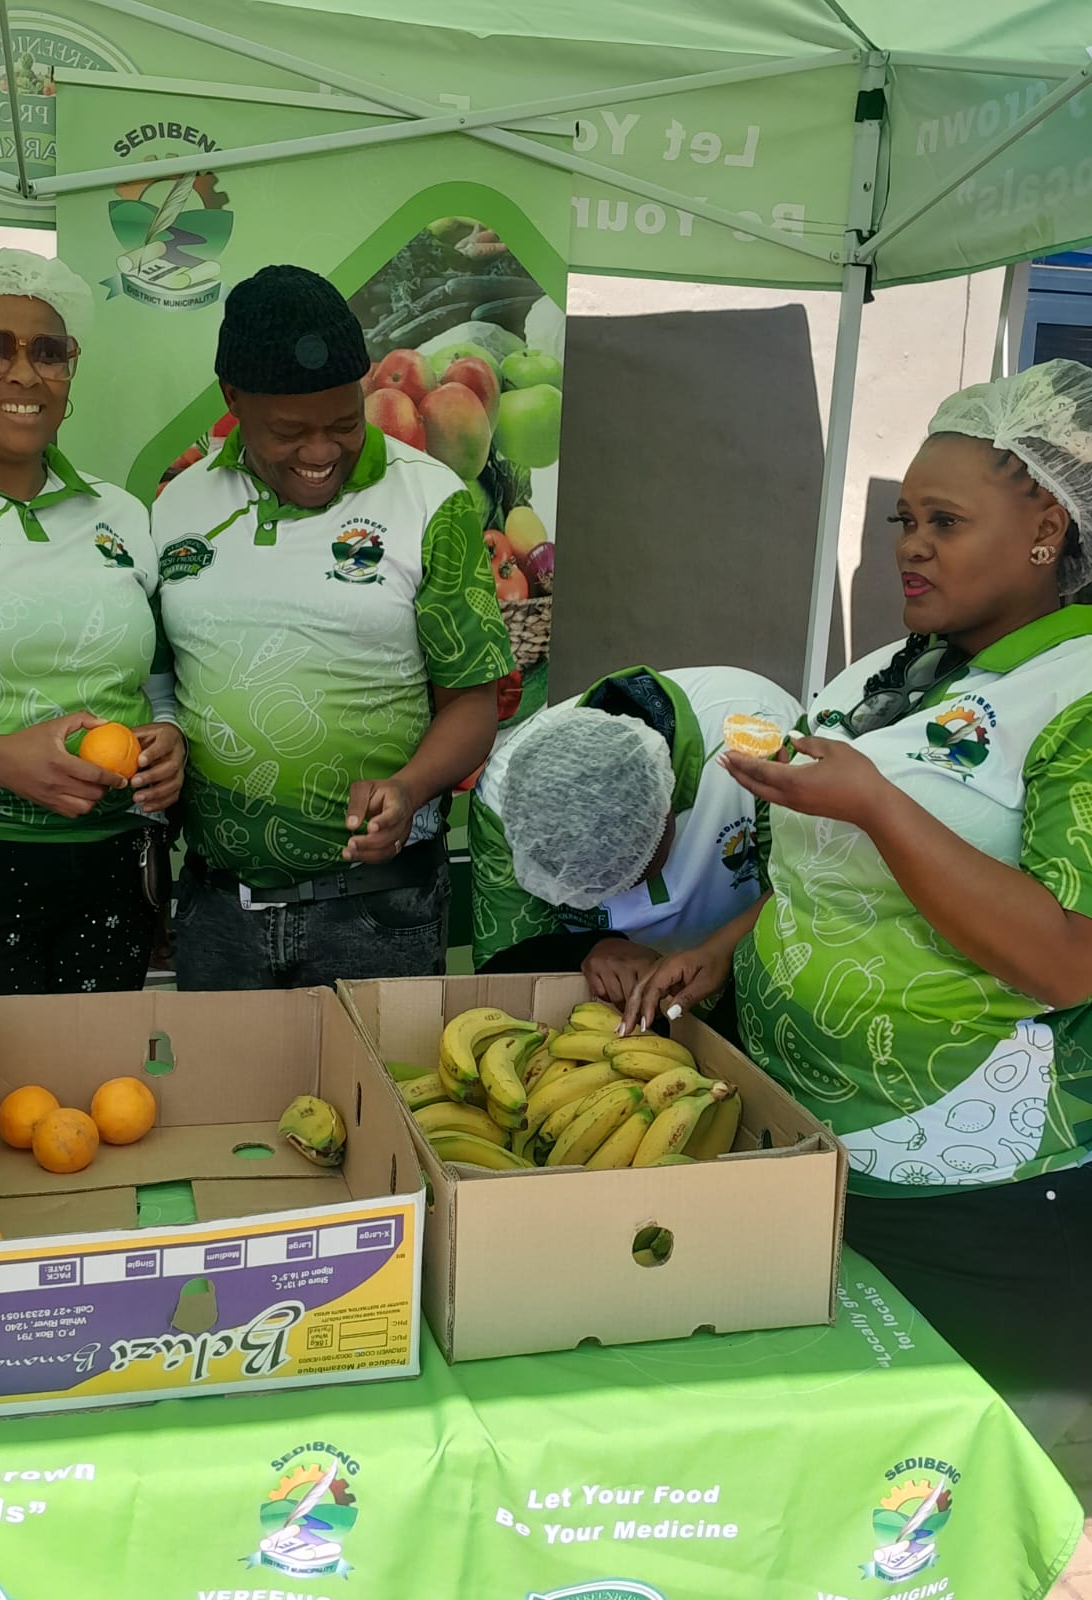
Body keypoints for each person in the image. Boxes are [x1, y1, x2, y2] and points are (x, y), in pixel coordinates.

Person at [624, 359, 1092, 1443]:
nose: (910, 544)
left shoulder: (1073, 694)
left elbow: (1070, 957)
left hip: (975, 1194)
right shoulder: (897, 671)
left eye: (944, 520)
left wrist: (878, 801)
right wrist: (730, 946)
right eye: (901, 517)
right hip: (815, 1150)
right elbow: (837, 874)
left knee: (953, 1488)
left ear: (1049, 533)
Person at [153, 264, 513, 989]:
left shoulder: (432, 501)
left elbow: (473, 702)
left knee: (376, 1101)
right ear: (233, 399)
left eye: (344, 422)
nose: (320, 453)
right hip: (219, 911)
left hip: (379, 914)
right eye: (289, 431)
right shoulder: (177, 504)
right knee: (222, 1106)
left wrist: (410, 786)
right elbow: (161, 676)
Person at [0, 250, 185, 1062]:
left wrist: (169, 739)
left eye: (49, 351)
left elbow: (158, 685)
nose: (25, 371)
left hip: (111, 874)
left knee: (99, 1116)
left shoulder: (119, 513)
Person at [470, 664, 802, 1008]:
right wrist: (588, 947)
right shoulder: (505, 798)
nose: (621, 894)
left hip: (754, 985)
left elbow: (811, 895)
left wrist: (720, 950)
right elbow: (503, 973)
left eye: (631, 871)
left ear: (666, 804)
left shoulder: (765, 742)